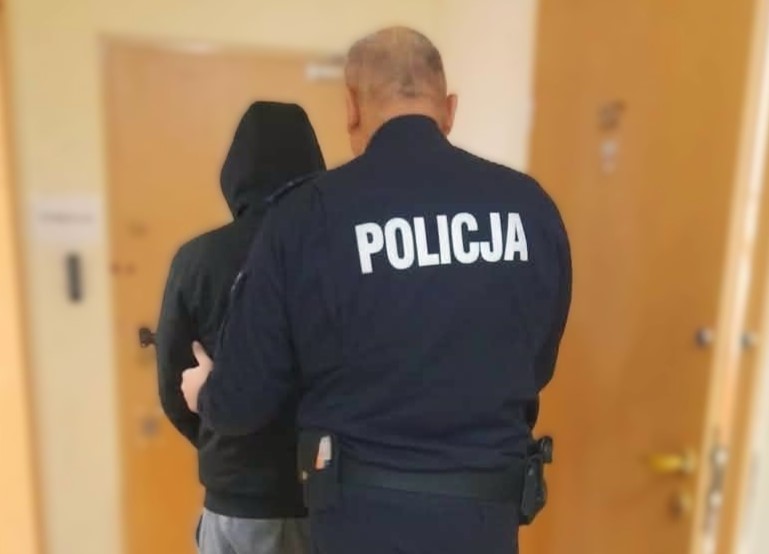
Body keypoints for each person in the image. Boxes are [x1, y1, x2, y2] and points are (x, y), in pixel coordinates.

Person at [182, 27, 572, 554]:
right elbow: (537, 363)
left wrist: (206, 391)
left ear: (351, 108)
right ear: (449, 110)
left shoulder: (306, 217)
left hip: (360, 523)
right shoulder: (530, 208)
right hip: (485, 522)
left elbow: (243, 403)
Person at [155, 101, 325, 554]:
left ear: (235, 172)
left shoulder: (196, 260)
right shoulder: (333, 254)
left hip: (232, 503)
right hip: (317, 498)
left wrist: (220, 439)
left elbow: (174, 388)